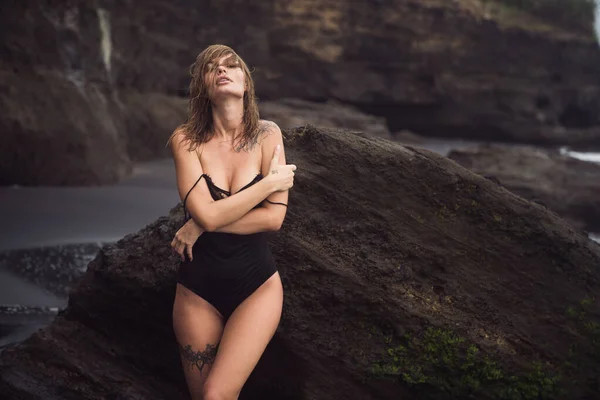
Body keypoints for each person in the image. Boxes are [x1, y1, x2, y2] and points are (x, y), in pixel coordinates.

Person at [167, 44, 296, 400]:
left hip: (257, 288)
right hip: (197, 292)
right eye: (213, 67)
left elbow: (273, 218)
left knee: (216, 395)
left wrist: (199, 224)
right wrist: (269, 184)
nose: (223, 70)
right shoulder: (186, 141)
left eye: (231, 65)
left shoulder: (268, 135)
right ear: (202, 86)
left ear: (246, 83)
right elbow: (206, 212)